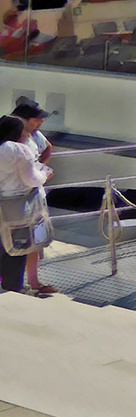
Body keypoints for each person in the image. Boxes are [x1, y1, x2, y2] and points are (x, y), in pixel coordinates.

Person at [0, 115, 51, 294]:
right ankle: (13, 286)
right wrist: (45, 175)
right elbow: (31, 179)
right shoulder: (19, 150)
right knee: (17, 245)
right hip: (17, 204)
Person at [11, 101, 55, 295]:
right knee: (13, 240)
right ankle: (14, 281)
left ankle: (33, 281)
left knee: (35, 239)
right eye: (37, 119)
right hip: (15, 196)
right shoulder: (11, 136)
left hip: (34, 192)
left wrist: (40, 167)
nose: (41, 122)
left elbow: (48, 147)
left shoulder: (35, 135)